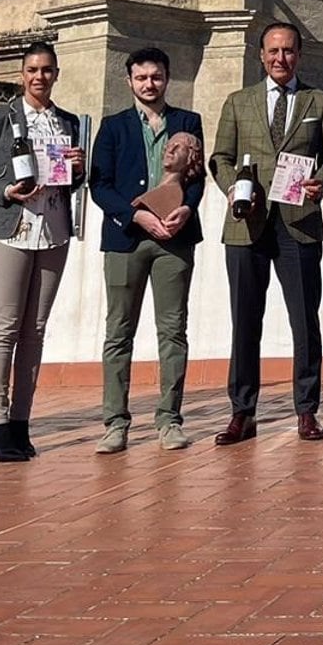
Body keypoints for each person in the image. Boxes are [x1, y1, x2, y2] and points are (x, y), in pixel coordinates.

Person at [208, 21, 323, 445]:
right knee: (245, 322)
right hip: (247, 224)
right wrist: (232, 187)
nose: (280, 58)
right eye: (273, 51)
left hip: (298, 224)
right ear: (260, 55)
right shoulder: (237, 101)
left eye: (288, 51)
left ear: (299, 54)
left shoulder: (319, 101)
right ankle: (242, 411)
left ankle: (307, 409)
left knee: (304, 321)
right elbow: (220, 157)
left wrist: (320, 181)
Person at [0, 41, 86, 463]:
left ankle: (21, 423)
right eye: (32, 69)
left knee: (35, 330)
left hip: (53, 231)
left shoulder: (67, 122)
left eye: (47, 70)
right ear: (22, 73)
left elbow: (68, 183)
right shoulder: (1, 116)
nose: (39, 77)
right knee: (6, 326)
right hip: (10, 229)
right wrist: (5, 192)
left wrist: (78, 171)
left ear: (56, 74)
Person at [87, 47, 206, 454]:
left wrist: (187, 207)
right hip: (127, 239)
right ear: (130, 82)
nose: (149, 84)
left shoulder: (189, 122)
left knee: (172, 331)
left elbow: (197, 176)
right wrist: (136, 216)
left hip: (174, 239)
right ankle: (115, 422)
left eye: (155, 77)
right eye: (141, 78)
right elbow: (99, 184)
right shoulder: (113, 126)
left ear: (167, 78)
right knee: (119, 332)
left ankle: (170, 418)